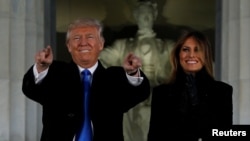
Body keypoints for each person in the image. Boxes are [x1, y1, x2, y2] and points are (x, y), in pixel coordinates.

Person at [22, 18, 150, 141]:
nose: (83, 42)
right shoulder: (55, 73)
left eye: (90, 37)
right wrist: (41, 67)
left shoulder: (114, 78)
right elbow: (31, 89)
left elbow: (139, 93)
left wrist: (133, 73)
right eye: (76, 38)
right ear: (69, 46)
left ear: (101, 44)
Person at [99, 1, 174, 141]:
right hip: (131, 95)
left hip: (159, 94)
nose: (145, 18)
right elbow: (98, 60)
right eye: (142, 14)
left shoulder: (168, 46)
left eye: (149, 14)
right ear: (136, 16)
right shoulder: (122, 45)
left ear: (154, 16)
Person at [147, 30, 233, 141]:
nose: (191, 55)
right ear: (178, 55)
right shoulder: (161, 93)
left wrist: (196, 103)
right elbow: (154, 136)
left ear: (206, 55)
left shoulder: (222, 91)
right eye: (185, 50)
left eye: (197, 50)